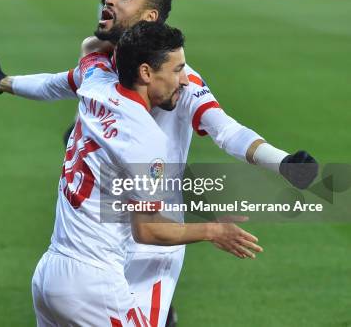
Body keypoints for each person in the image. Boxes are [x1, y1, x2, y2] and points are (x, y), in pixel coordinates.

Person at [0, 0, 317, 327]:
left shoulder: (179, 78)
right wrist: (2, 82)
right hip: (106, 237)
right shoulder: (100, 67)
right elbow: (58, 83)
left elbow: (225, 130)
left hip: (151, 235)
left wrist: (283, 163)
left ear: (149, 17)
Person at [29, 21, 262, 326]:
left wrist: (3, 82)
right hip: (93, 285)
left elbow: (91, 51)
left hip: (49, 273)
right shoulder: (147, 138)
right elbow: (148, 230)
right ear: (146, 73)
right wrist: (214, 231)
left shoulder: (95, 84)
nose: (185, 80)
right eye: (178, 69)